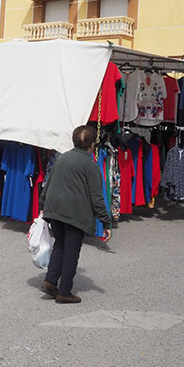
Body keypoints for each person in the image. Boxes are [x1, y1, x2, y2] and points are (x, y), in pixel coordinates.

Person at [39, 125, 111, 304]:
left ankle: (50, 281)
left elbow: (47, 184)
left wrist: (42, 206)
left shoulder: (62, 158)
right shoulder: (91, 165)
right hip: (74, 213)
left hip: (54, 209)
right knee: (71, 251)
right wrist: (106, 222)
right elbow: (96, 197)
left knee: (60, 245)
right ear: (93, 144)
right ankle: (64, 291)